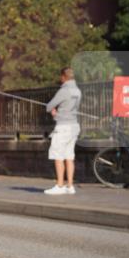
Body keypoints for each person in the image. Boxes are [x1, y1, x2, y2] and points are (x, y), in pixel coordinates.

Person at [44, 67, 82, 195]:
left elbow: (49, 106)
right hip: (74, 126)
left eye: (61, 77)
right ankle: (70, 186)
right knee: (69, 156)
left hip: (63, 127)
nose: (60, 79)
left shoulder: (64, 90)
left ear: (64, 77)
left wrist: (54, 112)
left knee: (58, 156)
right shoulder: (77, 90)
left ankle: (60, 185)